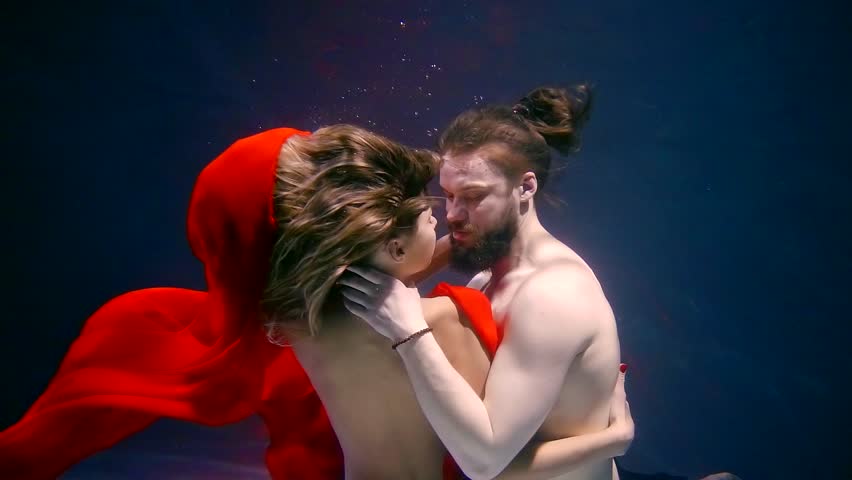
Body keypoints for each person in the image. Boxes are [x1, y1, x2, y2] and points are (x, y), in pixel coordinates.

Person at [0, 124, 632, 479]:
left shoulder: (293, 319)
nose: (444, 219)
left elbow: (395, 261)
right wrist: (612, 440)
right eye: (431, 209)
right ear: (386, 243)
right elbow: (492, 466)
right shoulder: (439, 320)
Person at [340, 85, 629, 480]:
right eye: (448, 195)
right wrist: (611, 441)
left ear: (526, 187)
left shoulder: (552, 296)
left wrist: (408, 332)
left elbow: (484, 462)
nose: (452, 214)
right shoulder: (490, 277)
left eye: (473, 196)